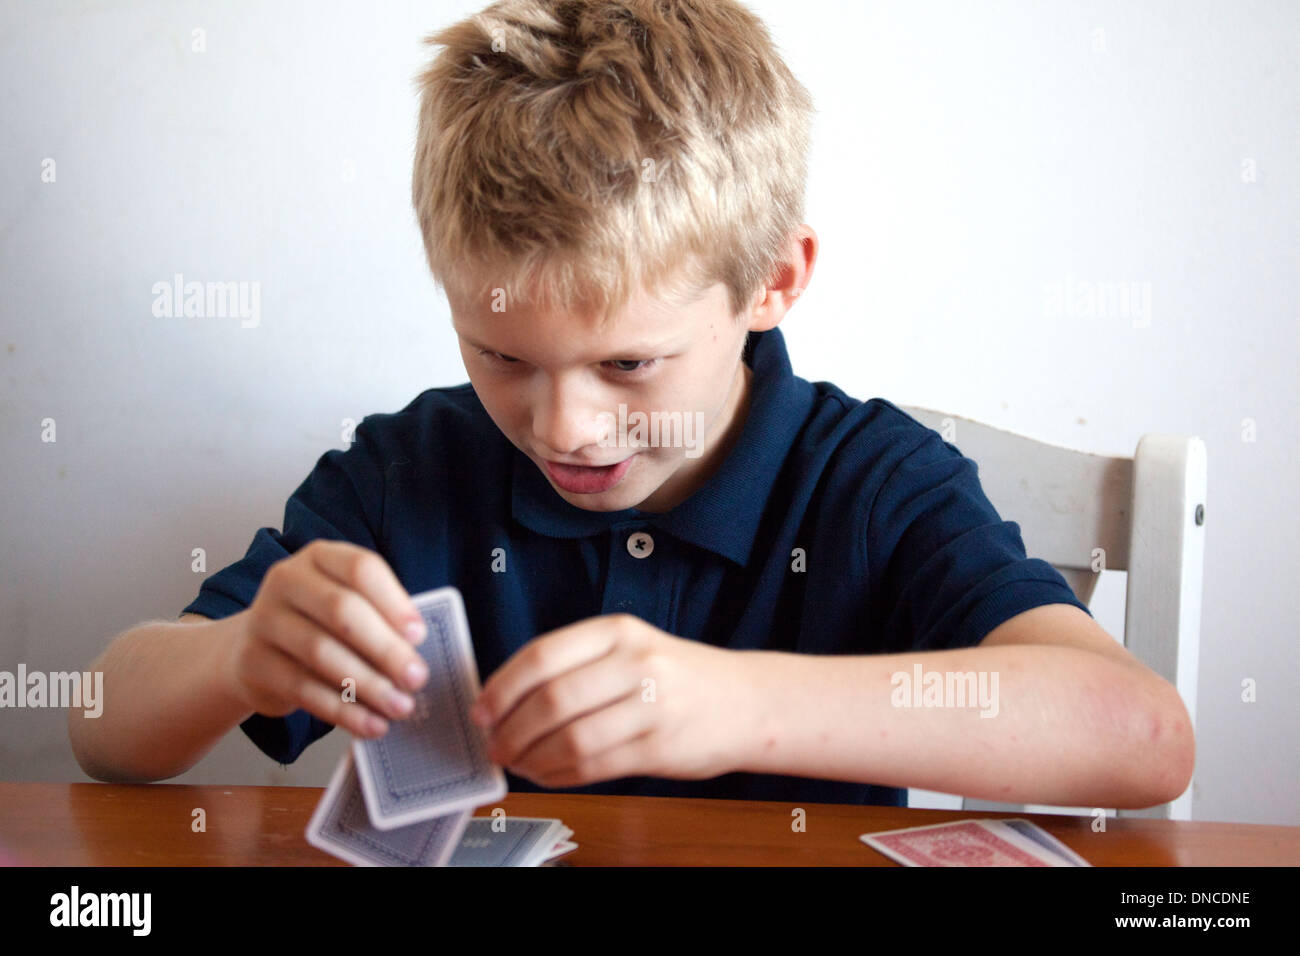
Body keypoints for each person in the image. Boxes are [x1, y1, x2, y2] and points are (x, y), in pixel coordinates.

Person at [69, 0, 1193, 810]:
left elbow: (1140, 735)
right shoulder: (409, 472)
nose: (562, 428)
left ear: (773, 282)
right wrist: (237, 658)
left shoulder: (871, 481)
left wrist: (732, 703)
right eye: (499, 351)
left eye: (628, 366)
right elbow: (103, 726)